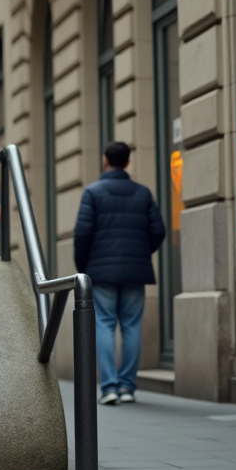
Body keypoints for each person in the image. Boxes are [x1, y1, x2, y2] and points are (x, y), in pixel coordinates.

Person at [74, 141, 166, 406]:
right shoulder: (143, 193)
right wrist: (141, 253)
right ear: (127, 162)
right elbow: (158, 230)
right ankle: (127, 387)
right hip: (135, 271)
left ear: (105, 160)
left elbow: (82, 233)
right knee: (131, 327)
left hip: (101, 271)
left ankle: (109, 388)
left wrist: (84, 266)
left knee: (104, 324)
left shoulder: (93, 192)